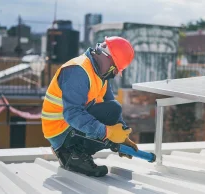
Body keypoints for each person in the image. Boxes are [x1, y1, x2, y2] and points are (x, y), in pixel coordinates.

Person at [41, 36, 138, 177]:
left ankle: (75, 153)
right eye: (115, 68)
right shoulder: (77, 71)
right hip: (60, 130)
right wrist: (107, 133)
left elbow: (111, 112)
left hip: (70, 127)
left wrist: (122, 136)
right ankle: (72, 155)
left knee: (113, 110)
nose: (115, 73)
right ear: (105, 56)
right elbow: (72, 114)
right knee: (110, 116)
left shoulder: (101, 75)